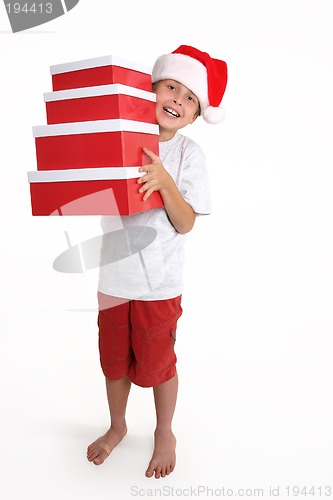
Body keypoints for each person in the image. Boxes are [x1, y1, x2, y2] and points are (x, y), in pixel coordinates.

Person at [87, 45, 228, 479]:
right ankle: (117, 425)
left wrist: (166, 183)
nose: (177, 100)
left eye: (190, 98)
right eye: (171, 87)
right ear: (150, 90)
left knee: (158, 362)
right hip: (113, 277)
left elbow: (185, 224)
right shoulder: (120, 138)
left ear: (195, 116)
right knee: (113, 362)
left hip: (160, 284)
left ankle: (165, 430)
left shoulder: (188, 155)